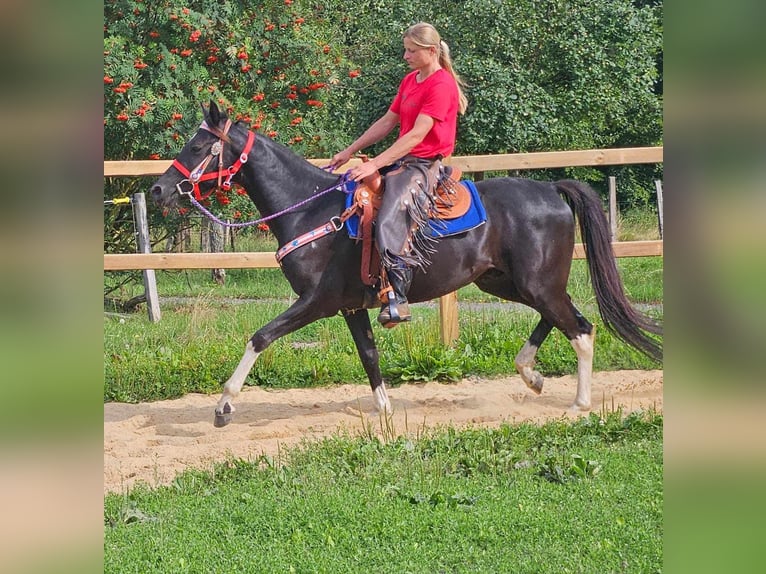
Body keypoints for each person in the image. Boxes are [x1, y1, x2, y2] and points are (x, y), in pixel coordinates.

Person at [330, 22, 468, 327]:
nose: (405, 55)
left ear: (431, 51)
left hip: (424, 165)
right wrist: (350, 150)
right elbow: (388, 121)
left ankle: (398, 296)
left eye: (411, 50)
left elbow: (418, 135)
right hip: (404, 161)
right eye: (405, 49)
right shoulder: (410, 81)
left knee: (392, 213)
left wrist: (375, 163)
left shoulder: (441, 84)